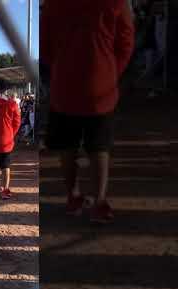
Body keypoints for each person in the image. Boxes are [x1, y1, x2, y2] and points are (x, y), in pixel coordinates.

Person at [41, 0, 134, 223]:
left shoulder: (53, 4)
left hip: (64, 85)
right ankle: (99, 203)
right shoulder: (117, 2)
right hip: (101, 86)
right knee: (99, 147)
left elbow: (45, 47)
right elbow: (126, 43)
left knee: (67, 146)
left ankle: (73, 197)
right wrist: (110, 71)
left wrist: (62, 66)